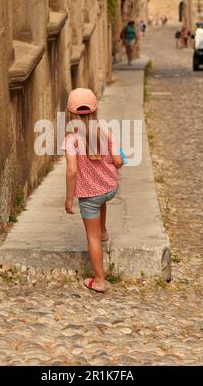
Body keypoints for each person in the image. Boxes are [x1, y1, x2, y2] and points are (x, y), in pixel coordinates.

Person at [63, 88, 124, 293]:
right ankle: (104, 231)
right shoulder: (105, 131)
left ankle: (99, 280)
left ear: (70, 114)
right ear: (95, 111)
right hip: (110, 188)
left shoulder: (71, 140)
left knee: (92, 237)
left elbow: (72, 171)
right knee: (102, 200)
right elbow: (118, 161)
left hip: (90, 195)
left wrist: (69, 198)